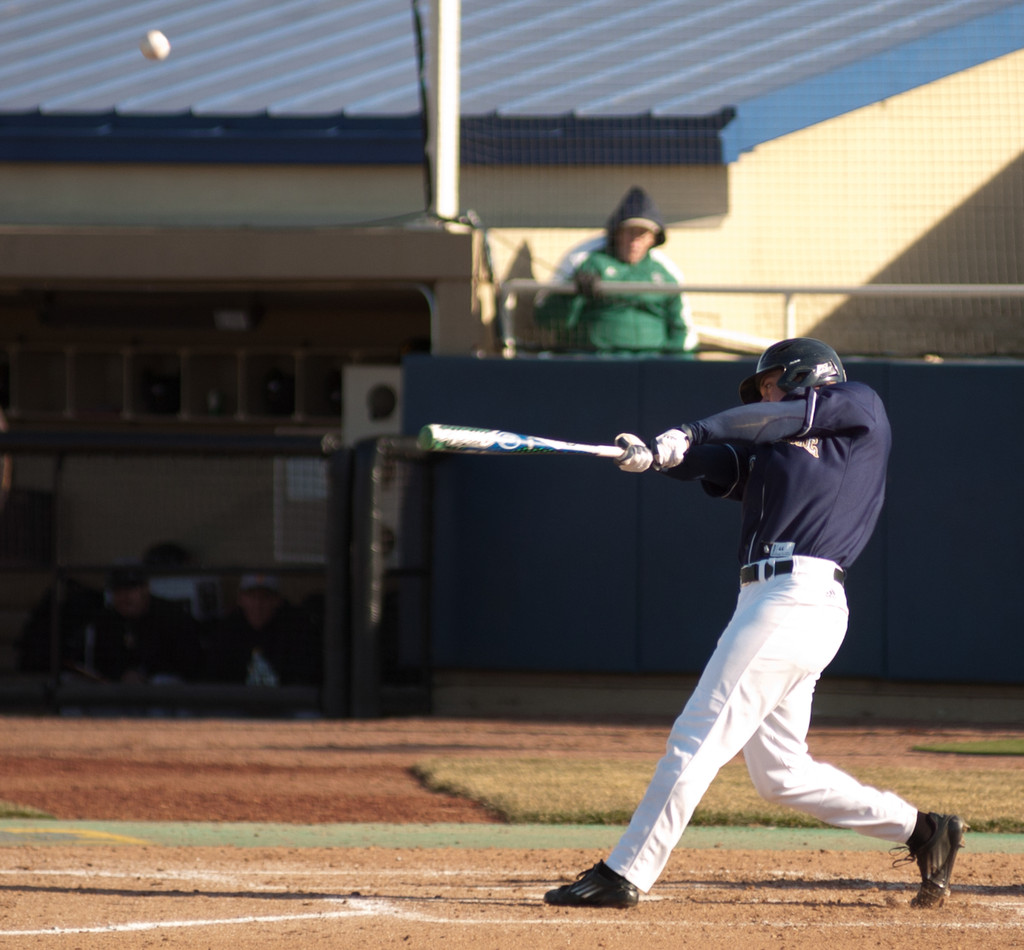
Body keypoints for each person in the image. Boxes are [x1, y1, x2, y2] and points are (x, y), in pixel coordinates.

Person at [543, 338, 965, 910]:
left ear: (805, 377)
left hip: (798, 595)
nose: (765, 394)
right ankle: (923, 831)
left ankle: (625, 874)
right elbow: (717, 462)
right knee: (781, 774)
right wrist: (654, 457)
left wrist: (691, 429)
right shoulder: (777, 455)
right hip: (774, 603)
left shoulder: (857, 405)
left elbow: (762, 421)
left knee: (696, 737)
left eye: (770, 383)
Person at [533, 186, 698, 354]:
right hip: (595, 363)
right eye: (629, 233)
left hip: (652, 367)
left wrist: (672, 367)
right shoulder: (586, 261)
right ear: (617, 233)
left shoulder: (666, 272)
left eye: (642, 234)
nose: (634, 242)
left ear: (653, 239)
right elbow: (547, 321)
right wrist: (571, 295)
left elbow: (683, 331)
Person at [83, 562, 204, 684]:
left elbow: (189, 662)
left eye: (131, 589)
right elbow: (99, 663)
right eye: (118, 591)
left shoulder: (172, 616)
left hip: (167, 690)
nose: (124, 596)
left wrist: (145, 674)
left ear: (145, 588)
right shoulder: (106, 620)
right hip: (119, 692)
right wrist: (121, 674)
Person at [204, 574, 321, 686]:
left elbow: (304, 679)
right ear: (240, 599)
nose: (258, 604)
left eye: (266, 597)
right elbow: (215, 679)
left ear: (278, 600)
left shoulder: (296, 631)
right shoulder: (226, 631)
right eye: (251, 596)